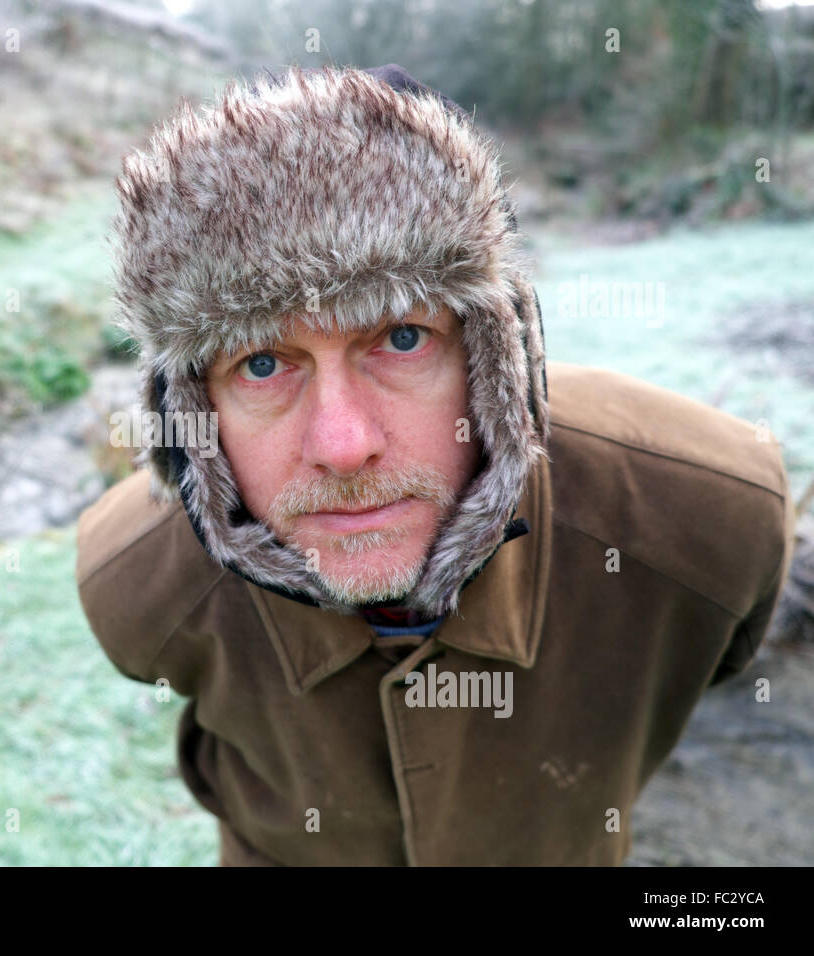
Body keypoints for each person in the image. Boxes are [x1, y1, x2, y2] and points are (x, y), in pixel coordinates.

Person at [75, 65, 797, 865]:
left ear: (499, 355)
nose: (344, 446)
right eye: (260, 364)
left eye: (403, 338)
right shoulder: (138, 590)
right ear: (191, 413)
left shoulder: (708, 521)